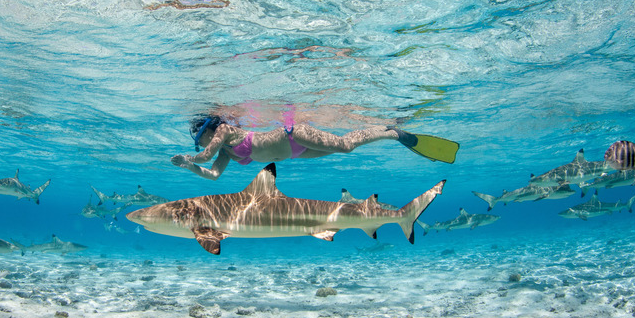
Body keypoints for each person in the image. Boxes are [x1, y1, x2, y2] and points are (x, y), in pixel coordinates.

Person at [171, 115, 459, 180]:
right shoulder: (224, 152)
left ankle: (391, 131)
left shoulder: (224, 130)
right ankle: (388, 131)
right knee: (345, 150)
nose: (205, 143)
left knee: (345, 146)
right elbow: (213, 174)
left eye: (201, 138)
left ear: (209, 128)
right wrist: (189, 166)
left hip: (294, 135)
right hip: (297, 154)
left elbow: (206, 155)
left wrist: (189, 157)